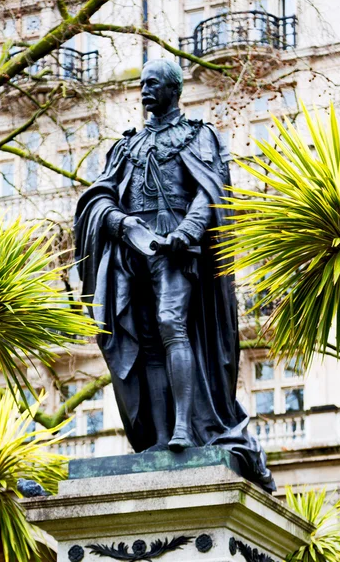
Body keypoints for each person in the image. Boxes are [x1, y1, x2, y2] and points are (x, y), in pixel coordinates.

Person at [74, 58, 275, 490]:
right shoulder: (126, 145)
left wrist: (187, 231)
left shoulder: (198, 135)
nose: (144, 90)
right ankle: (160, 438)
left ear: (173, 89)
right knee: (144, 340)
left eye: (153, 83)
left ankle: (185, 428)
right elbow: (100, 197)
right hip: (132, 250)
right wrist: (119, 223)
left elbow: (212, 192)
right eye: (141, 83)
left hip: (178, 247)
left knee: (172, 325)